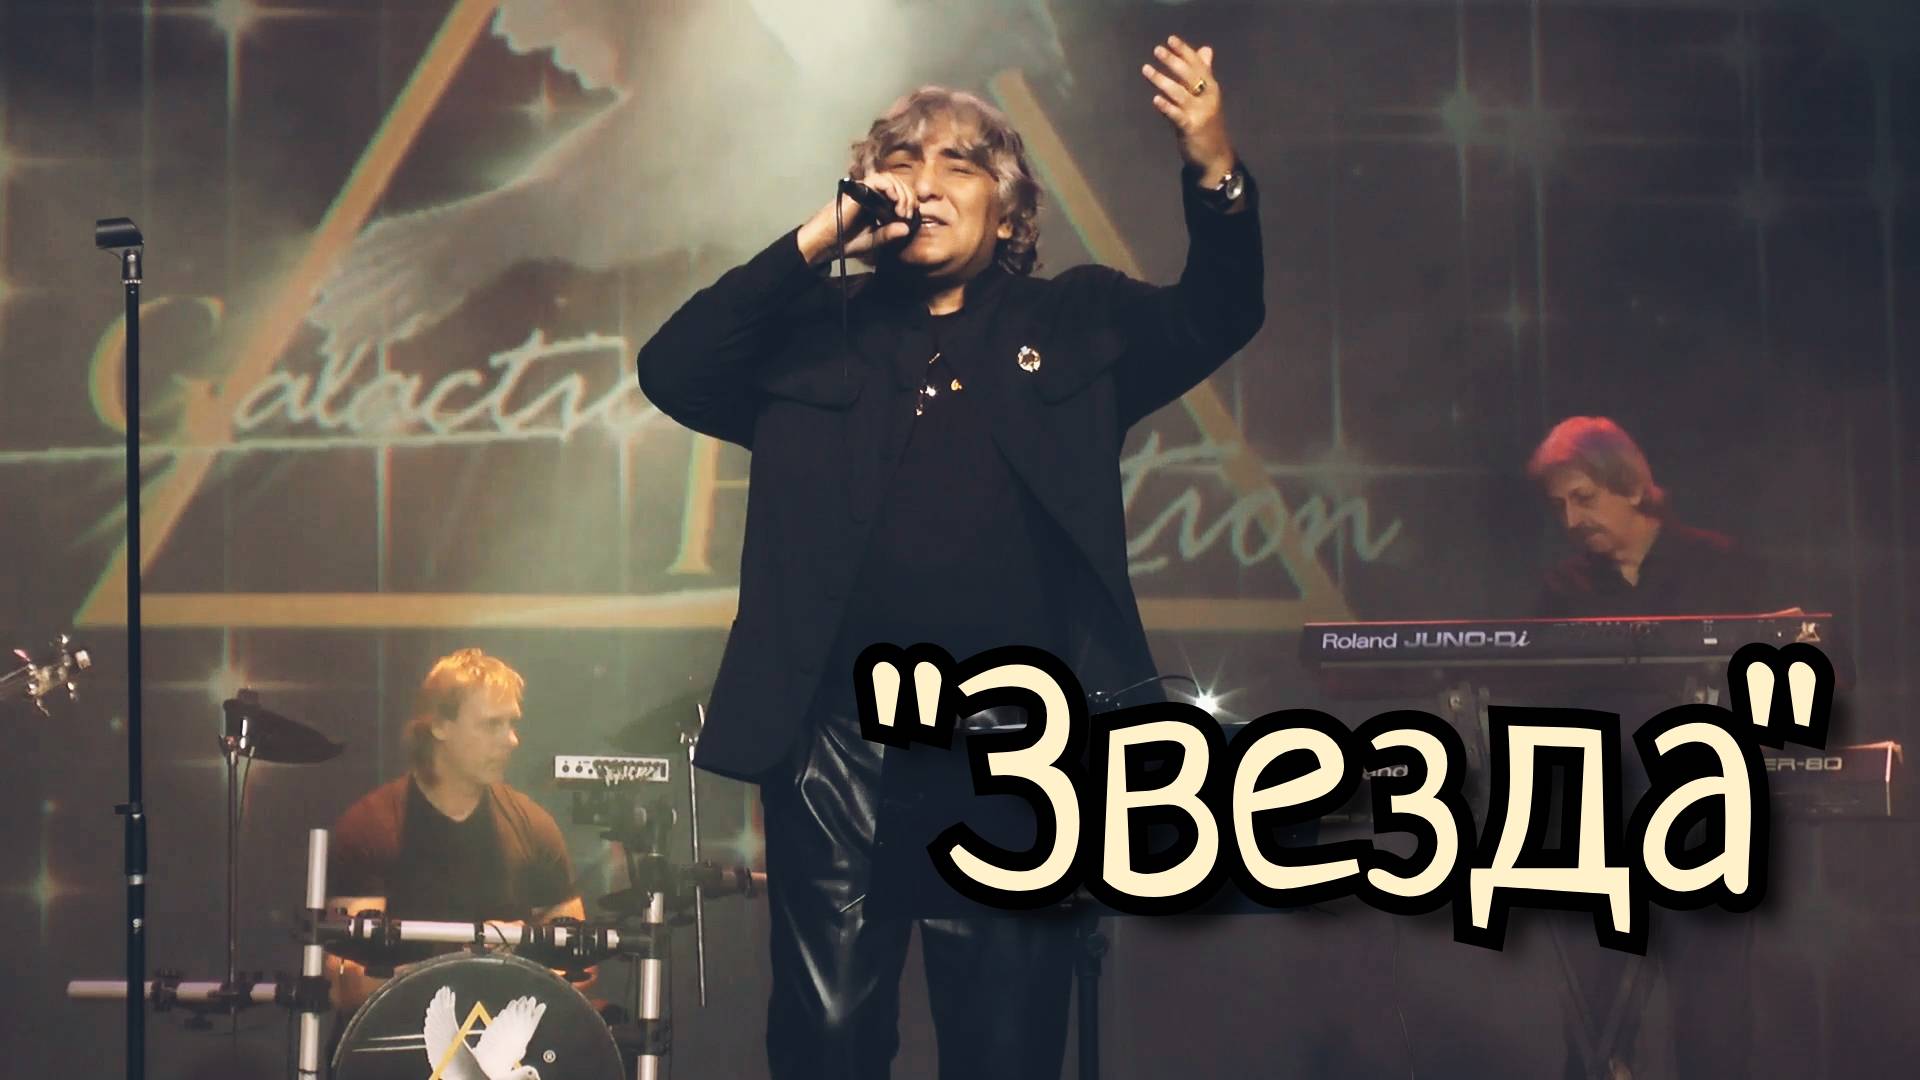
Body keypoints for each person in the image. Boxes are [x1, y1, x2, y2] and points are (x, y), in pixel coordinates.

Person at [636, 36, 1263, 1080]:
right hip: (839, 746)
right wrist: (824, 234)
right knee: (825, 1043)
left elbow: (1220, 310)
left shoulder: (1075, 319)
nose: (923, 183)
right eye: (901, 161)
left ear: (1009, 213)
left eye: (957, 163)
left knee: (1006, 1047)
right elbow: (674, 367)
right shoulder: (815, 330)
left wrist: (1214, 165)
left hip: (1016, 750)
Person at [1528, 416, 1785, 1079]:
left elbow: (1785, 673)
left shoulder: (1723, 566)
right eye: (1560, 505)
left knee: (1712, 1015)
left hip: (1703, 816)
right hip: (1601, 822)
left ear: (1633, 488)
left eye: (1584, 498)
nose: (1571, 519)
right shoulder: (1563, 589)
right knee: (1593, 1020)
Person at [323, 648, 584, 1015]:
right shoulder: (369, 827)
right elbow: (341, 984)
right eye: (492, 724)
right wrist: (463, 968)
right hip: (398, 1037)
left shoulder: (535, 827)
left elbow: (580, 968)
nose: (511, 740)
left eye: (512, 723)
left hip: (506, 1043)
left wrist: (518, 963)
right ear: (439, 726)